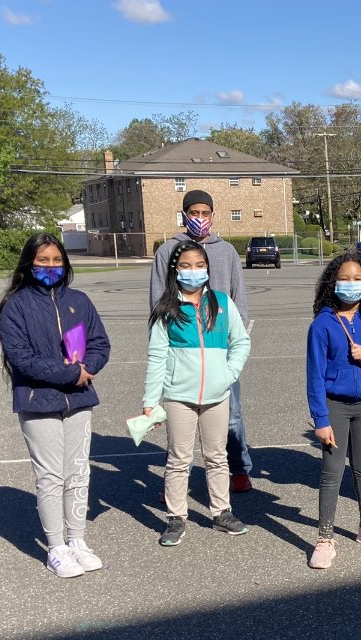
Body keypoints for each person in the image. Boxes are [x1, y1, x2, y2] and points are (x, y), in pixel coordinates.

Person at [0, 233, 111, 578]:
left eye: (56, 260)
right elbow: (21, 359)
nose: (50, 266)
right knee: (50, 477)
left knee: (78, 471)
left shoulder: (80, 300)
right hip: (37, 401)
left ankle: (77, 540)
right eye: (42, 260)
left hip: (78, 399)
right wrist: (69, 373)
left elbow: (100, 343)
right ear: (29, 263)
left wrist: (88, 368)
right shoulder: (16, 306)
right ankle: (56, 547)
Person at [144, 240, 252, 546]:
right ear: (175, 271)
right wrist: (150, 402)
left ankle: (222, 512)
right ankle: (176, 517)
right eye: (186, 266)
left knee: (217, 457)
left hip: (218, 395)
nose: (194, 271)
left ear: (208, 268)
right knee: (179, 458)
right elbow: (156, 357)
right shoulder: (167, 309)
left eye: (200, 265)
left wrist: (228, 374)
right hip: (179, 396)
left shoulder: (221, 302)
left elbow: (241, 341)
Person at [150, 189, 254, 493]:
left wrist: (236, 348)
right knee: (180, 423)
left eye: (205, 213)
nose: (199, 218)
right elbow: (158, 302)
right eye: (193, 213)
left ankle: (239, 469)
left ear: (213, 215)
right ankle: (175, 484)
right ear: (184, 215)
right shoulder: (167, 251)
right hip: (182, 351)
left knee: (231, 416)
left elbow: (240, 298)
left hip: (220, 350)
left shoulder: (226, 252)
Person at [305, 253, 361, 569]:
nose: (351, 284)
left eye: (358, 278)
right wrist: (320, 419)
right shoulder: (322, 324)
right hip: (334, 407)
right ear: (333, 282)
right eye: (344, 278)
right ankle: (325, 538)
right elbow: (314, 376)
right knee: (331, 474)